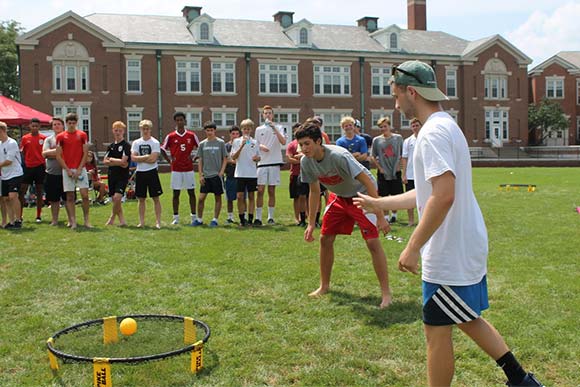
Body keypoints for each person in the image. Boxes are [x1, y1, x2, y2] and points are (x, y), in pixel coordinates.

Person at [354, 60, 544, 387]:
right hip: (463, 243)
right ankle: (521, 380)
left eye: (396, 93)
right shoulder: (446, 126)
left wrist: (412, 247)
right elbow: (427, 192)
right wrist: (378, 203)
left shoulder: (430, 134)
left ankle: (521, 380)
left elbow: (443, 196)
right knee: (465, 318)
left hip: (449, 250)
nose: (395, 102)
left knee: (437, 331)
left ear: (411, 91)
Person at [296, 121, 392, 309]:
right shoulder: (305, 161)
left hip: (362, 194)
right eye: (301, 144)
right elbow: (314, 191)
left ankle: (386, 294)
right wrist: (310, 223)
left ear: (318, 142)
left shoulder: (339, 156)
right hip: (339, 197)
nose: (304, 148)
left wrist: (380, 215)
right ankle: (324, 286)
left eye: (307, 143)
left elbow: (368, 181)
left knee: (372, 242)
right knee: (325, 239)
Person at [161, 112, 199, 225]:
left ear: (185, 121)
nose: (179, 122)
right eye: (177, 120)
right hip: (176, 169)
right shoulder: (171, 136)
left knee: (191, 193)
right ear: (175, 122)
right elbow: (162, 149)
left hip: (188, 169)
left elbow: (200, 147)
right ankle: (176, 218)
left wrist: (194, 157)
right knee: (176, 193)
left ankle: (193, 217)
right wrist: (169, 161)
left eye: (181, 120)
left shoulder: (191, 135)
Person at [56, 112, 91, 229]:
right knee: (70, 196)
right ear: (66, 123)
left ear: (76, 123)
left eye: (73, 123)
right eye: (69, 123)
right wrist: (67, 170)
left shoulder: (82, 135)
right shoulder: (61, 137)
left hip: (80, 168)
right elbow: (58, 155)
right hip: (67, 169)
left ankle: (87, 220)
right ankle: (73, 221)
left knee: (84, 195)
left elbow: (85, 152)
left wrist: (80, 168)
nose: (71, 125)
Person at [254, 105, 286, 225]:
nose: (268, 115)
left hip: (274, 163)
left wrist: (274, 129)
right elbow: (254, 144)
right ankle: (258, 218)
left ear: (272, 115)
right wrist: (261, 146)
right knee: (260, 190)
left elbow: (283, 142)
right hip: (262, 163)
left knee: (271, 191)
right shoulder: (258, 129)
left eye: (270, 113)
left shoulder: (279, 127)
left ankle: (270, 217)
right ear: (263, 115)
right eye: (265, 113)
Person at [193, 121, 227, 227]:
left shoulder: (220, 143)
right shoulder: (202, 144)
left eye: (211, 130)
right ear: (205, 131)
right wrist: (200, 175)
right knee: (201, 198)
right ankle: (199, 219)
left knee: (217, 197)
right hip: (206, 176)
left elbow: (225, 158)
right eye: (208, 130)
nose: (210, 132)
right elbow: (200, 160)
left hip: (216, 176)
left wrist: (221, 172)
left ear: (215, 131)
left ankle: (215, 220)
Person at [371, 116, 403, 223]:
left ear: (389, 126)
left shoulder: (398, 138)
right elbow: (373, 156)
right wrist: (379, 168)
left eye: (385, 126)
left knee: (395, 195)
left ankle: (394, 215)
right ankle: (386, 217)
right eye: (381, 127)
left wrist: (399, 165)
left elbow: (403, 154)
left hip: (395, 171)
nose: (383, 128)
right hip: (383, 172)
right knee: (383, 195)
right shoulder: (377, 140)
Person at [131, 119, 163, 229]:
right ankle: (142, 222)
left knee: (156, 198)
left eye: (147, 129)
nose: (145, 131)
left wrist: (141, 158)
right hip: (140, 173)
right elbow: (133, 158)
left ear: (150, 129)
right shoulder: (136, 143)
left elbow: (153, 159)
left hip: (152, 172)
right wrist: (145, 157)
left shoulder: (155, 142)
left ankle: (158, 222)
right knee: (141, 199)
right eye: (143, 129)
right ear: (140, 129)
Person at [230, 119, 260, 227]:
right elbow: (233, 157)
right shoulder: (236, 141)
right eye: (244, 129)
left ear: (251, 130)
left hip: (251, 173)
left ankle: (250, 219)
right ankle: (242, 219)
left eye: (248, 129)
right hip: (240, 173)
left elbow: (258, 156)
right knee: (240, 196)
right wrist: (242, 146)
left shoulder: (255, 142)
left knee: (251, 196)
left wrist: (257, 158)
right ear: (241, 129)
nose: (246, 131)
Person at [103, 121, 131, 226]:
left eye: (120, 130)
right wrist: (117, 162)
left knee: (117, 197)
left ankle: (111, 218)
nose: (117, 132)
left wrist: (112, 160)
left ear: (123, 131)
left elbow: (124, 162)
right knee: (115, 200)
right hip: (112, 175)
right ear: (113, 131)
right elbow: (105, 161)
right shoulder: (110, 146)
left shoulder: (126, 146)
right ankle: (122, 221)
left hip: (122, 176)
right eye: (116, 130)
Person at [19, 117, 46, 223]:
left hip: (40, 167)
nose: (34, 128)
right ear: (29, 126)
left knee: (39, 191)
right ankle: (19, 214)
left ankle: (38, 215)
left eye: (36, 126)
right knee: (22, 191)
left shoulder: (43, 138)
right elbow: (22, 152)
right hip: (28, 167)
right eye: (32, 126)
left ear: (39, 127)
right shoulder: (25, 138)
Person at [42, 117, 68, 226]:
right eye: (54, 124)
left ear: (63, 126)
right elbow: (44, 154)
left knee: (68, 198)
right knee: (53, 199)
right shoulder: (48, 139)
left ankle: (71, 219)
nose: (56, 126)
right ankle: (55, 220)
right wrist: (59, 152)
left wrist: (53, 153)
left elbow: (69, 153)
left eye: (58, 124)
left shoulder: (67, 138)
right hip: (51, 173)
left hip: (65, 173)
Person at [0, 121, 24, 229]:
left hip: (15, 173)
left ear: (3, 131)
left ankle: (18, 220)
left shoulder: (12, 143)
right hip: (4, 175)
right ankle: (11, 221)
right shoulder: (0, 144)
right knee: (5, 199)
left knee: (13, 196)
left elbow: (9, 161)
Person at [286, 123, 308, 226]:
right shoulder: (292, 144)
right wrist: (304, 159)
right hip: (295, 173)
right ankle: (297, 217)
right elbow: (289, 158)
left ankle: (307, 216)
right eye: (295, 130)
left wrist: (299, 158)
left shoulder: (306, 143)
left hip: (307, 173)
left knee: (307, 197)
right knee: (296, 197)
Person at [401, 118, 420, 226]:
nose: (415, 127)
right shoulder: (407, 141)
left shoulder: (425, 138)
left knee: (424, 198)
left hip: (423, 175)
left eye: (417, 125)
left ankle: (423, 220)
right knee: (409, 199)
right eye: (413, 126)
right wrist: (404, 174)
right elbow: (404, 158)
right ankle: (411, 221)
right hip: (411, 175)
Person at [224, 126, 241, 224]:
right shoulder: (226, 146)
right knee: (229, 198)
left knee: (242, 197)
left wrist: (232, 161)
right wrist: (235, 161)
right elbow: (226, 159)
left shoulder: (243, 144)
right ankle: (230, 216)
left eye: (237, 134)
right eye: (233, 134)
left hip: (242, 175)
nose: (235, 136)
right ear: (230, 135)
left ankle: (244, 215)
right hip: (230, 175)